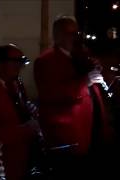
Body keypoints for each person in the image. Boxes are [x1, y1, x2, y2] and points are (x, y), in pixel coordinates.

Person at [34, 15, 115, 179]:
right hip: (68, 136)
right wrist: (85, 80)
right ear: (58, 35)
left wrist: (100, 73)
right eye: (70, 33)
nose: (75, 37)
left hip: (91, 131)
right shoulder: (46, 61)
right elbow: (52, 94)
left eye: (76, 33)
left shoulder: (79, 55)